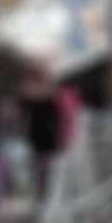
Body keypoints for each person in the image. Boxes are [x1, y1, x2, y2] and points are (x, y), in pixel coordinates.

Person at [19, 66, 65, 203]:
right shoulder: (30, 92)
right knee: (38, 164)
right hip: (36, 131)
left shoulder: (48, 93)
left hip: (47, 131)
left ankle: (45, 192)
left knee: (47, 165)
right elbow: (23, 107)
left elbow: (56, 114)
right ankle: (42, 192)